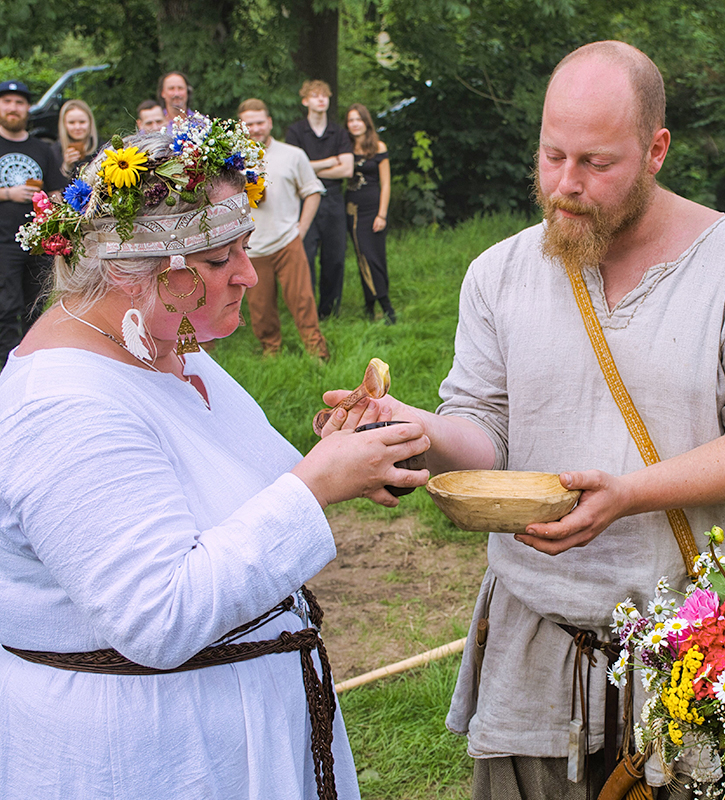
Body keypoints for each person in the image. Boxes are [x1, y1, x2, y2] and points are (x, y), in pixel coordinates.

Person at [322, 41, 725, 799]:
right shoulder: (498, 273)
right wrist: (411, 425)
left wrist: (629, 494)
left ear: (656, 150)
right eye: (552, 156)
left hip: (695, 659)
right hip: (536, 657)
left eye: (596, 164)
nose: (565, 186)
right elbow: (483, 430)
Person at [0, 116, 429, 799]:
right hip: (150, 758)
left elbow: (229, 497)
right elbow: (158, 614)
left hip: (232, 731)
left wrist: (339, 452)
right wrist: (314, 487)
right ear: (133, 272)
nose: (247, 277)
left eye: (245, 250)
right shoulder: (63, 405)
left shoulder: (165, 347)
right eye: (218, 259)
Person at [238, 98, 329, 360]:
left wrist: (301, 229)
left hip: (288, 240)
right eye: (249, 124)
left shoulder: (292, 155)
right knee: (260, 307)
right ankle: (271, 351)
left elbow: (313, 191)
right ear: (242, 127)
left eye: (259, 122)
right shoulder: (233, 161)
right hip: (253, 247)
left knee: (302, 300)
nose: (255, 128)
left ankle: (316, 351)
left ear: (269, 123)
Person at [0, 79, 66, 370]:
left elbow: (55, 190)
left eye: (19, 103)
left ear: (28, 108)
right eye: (7, 102)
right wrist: (8, 194)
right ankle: (5, 371)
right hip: (3, 243)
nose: (13, 108)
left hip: (38, 245)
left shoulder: (42, 149)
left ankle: (30, 369)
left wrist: (50, 202)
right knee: (6, 309)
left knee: (35, 310)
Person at [285, 80, 353, 319]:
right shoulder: (296, 132)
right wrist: (328, 162)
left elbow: (346, 170)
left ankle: (329, 312)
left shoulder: (339, 132)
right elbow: (292, 169)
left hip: (334, 199)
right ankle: (308, 311)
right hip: (304, 201)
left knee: (334, 258)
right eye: (315, 95)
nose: (320, 99)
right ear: (305, 101)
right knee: (306, 257)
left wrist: (309, 167)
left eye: (324, 95)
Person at [345, 103, 395, 325]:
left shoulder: (378, 146)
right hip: (353, 211)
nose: (354, 124)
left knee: (376, 257)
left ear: (366, 122)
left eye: (358, 119)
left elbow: (386, 183)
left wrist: (382, 214)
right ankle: (373, 305)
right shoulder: (345, 148)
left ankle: (383, 305)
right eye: (350, 120)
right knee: (362, 256)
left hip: (374, 210)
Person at [55, 99, 98, 178]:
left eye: (82, 122)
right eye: (71, 122)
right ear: (64, 124)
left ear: (90, 122)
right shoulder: (55, 152)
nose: (77, 127)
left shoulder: (103, 149)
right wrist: (66, 167)